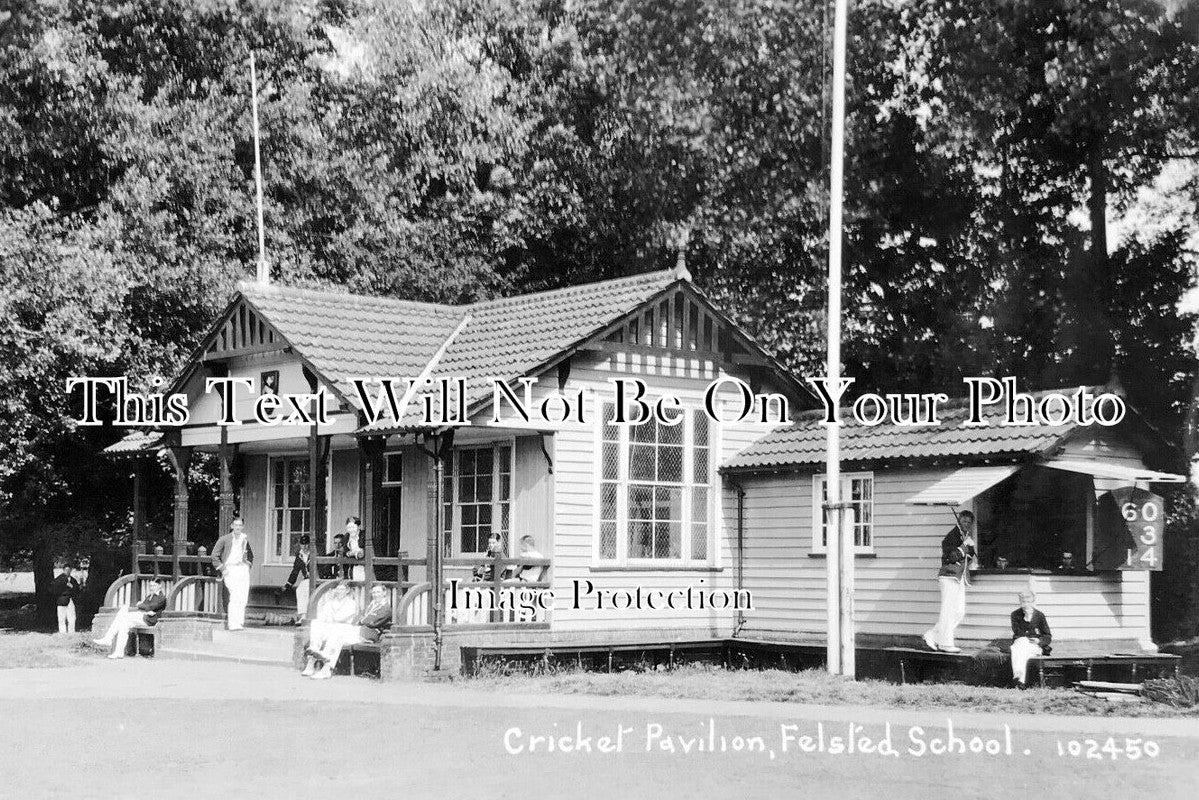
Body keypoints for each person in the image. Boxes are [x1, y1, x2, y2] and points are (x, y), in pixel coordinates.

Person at [301, 583, 391, 679]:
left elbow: (372, 622)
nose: (375, 594)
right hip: (359, 630)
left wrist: (361, 621)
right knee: (337, 637)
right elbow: (360, 617)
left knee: (338, 632)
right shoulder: (372, 604)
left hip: (369, 633)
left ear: (384, 593)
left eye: (378, 592)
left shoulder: (386, 608)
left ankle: (324, 657)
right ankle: (326, 669)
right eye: (374, 592)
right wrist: (361, 620)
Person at [922, 510, 977, 653]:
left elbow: (968, 557)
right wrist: (964, 547)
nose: (966, 524)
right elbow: (951, 557)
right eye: (964, 521)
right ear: (959, 521)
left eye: (969, 523)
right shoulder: (952, 536)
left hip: (959, 578)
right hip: (949, 576)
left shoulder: (965, 536)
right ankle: (946, 643)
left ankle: (933, 635)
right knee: (948, 610)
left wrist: (970, 548)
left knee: (959, 611)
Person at [93, 579, 167, 659]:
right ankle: (118, 652)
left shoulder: (161, 598)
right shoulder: (149, 596)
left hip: (150, 621)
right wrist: (145, 610)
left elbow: (149, 607)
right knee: (123, 624)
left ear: (159, 586)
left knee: (123, 613)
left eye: (154, 586)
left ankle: (108, 638)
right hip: (144, 617)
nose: (151, 588)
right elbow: (145, 608)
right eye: (150, 586)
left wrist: (141, 605)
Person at [211, 516, 254, 631]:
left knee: (243, 597)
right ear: (232, 526)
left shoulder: (245, 539)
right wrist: (222, 569)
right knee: (235, 595)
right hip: (230, 569)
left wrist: (247, 565)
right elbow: (214, 555)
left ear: (242, 526)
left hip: (242, 570)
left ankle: (240, 622)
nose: (238, 527)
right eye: (236, 525)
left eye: (240, 525)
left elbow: (250, 556)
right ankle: (233, 624)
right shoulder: (224, 539)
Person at [1009, 590, 1052, 687]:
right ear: (1020, 602)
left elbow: (1048, 635)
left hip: (1034, 645)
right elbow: (1018, 633)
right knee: (1020, 646)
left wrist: (1039, 641)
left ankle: (1019, 678)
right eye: (1023, 602)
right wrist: (1026, 619)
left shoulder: (1039, 615)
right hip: (1020, 643)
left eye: (1028, 602)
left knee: (1018, 650)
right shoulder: (1015, 615)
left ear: (1032, 602)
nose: (1025, 604)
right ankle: (1021, 681)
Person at [282, 534, 313, 621]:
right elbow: (295, 571)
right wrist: (288, 585)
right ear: (300, 545)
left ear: (310, 544)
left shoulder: (315, 553)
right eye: (303, 544)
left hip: (315, 578)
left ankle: (307, 615)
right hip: (307, 579)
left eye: (307, 544)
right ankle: (303, 615)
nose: (305, 546)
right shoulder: (299, 556)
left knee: (306, 590)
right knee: (300, 590)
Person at [50, 563, 81, 634]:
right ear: (63, 570)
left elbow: (77, 590)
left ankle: (72, 632)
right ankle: (62, 632)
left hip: (70, 600)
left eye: (69, 570)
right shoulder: (58, 579)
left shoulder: (73, 580)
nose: (68, 571)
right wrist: (64, 585)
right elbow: (53, 589)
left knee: (72, 617)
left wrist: (72, 587)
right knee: (61, 618)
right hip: (61, 600)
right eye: (66, 570)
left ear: (71, 570)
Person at [343, 516, 366, 581]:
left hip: (364, 566)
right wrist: (351, 553)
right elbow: (345, 551)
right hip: (353, 565)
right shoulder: (346, 537)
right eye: (349, 527)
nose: (351, 530)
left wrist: (354, 553)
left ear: (358, 527)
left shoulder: (364, 536)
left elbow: (362, 553)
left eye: (353, 527)